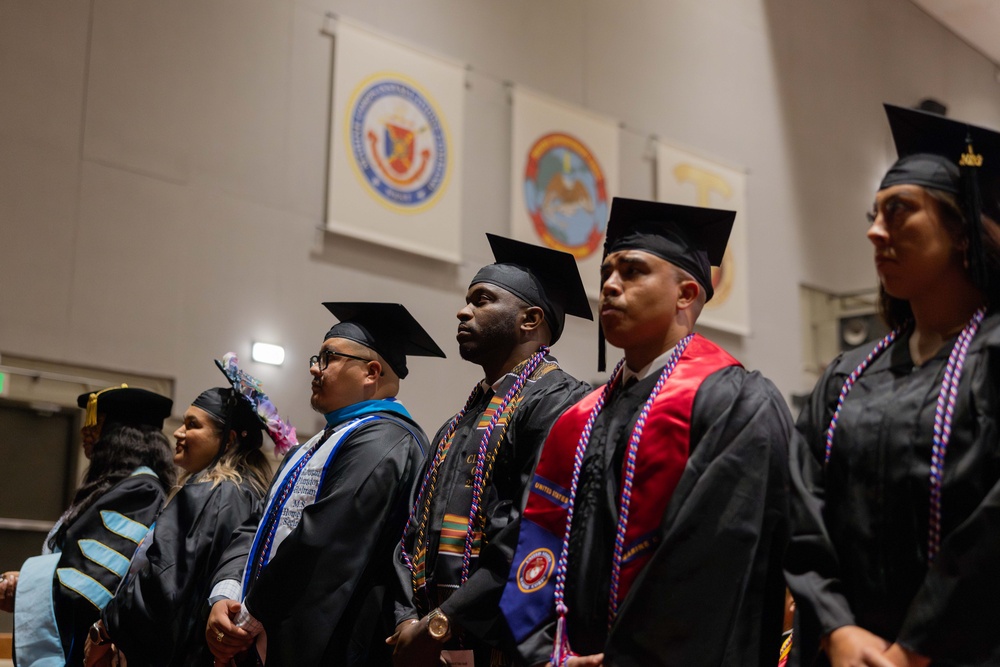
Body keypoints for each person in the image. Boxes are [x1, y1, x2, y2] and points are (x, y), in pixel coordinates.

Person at [500, 198, 793, 667]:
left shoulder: (734, 403)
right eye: (607, 274)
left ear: (686, 293)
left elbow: (714, 565)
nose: (610, 286)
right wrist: (548, 655)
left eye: (633, 271)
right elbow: (538, 544)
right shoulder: (579, 418)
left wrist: (621, 660)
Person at [784, 105, 1000, 667]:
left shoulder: (992, 359)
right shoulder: (847, 376)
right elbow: (801, 507)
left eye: (898, 212)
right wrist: (837, 630)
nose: (874, 231)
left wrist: (916, 648)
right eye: (874, 213)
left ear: (961, 231)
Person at [391, 234, 592, 667]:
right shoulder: (459, 421)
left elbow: (532, 531)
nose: (463, 311)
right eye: (467, 300)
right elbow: (412, 530)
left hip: (509, 648)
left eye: (482, 300)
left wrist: (441, 622)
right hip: (432, 643)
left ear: (529, 319)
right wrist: (410, 619)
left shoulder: (561, 403)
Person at [206, 302, 445, 667]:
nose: (315, 369)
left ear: (371, 372)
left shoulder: (386, 440)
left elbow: (324, 542)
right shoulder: (315, 444)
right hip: (257, 628)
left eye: (328, 357)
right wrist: (225, 593)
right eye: (315, 359)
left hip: (326, 644)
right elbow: (255, 525)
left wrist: (250, 616)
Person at [86, 353, 295, 666]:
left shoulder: (211, 494)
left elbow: (162, 581)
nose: (178, 433)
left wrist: (107, 627)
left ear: (228, 442)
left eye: (192, 425)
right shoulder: (249, 493)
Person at [2, 386, 176, 666]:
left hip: (87, 646)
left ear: (122, 436)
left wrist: (28, 586)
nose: (86, 433)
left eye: (97, 425)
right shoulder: (114, 487)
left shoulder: (141, 489)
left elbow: (92, 582)